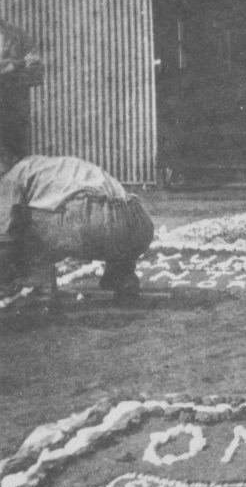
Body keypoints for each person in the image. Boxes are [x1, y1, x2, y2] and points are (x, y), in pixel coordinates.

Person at [0, 153, 154, 298]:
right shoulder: (49, 165)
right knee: (107, 211)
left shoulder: (13, 176)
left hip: (93, 223)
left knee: (19, 220)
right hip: (138, 224)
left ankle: (40, 281)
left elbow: (5, 236)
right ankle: (123, 277)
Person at [0, 19, 43, 162]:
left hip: (11, 119)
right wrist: (18, 64)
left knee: (14, 173)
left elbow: (36, 73)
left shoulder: (17, 36)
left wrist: (6, 74)